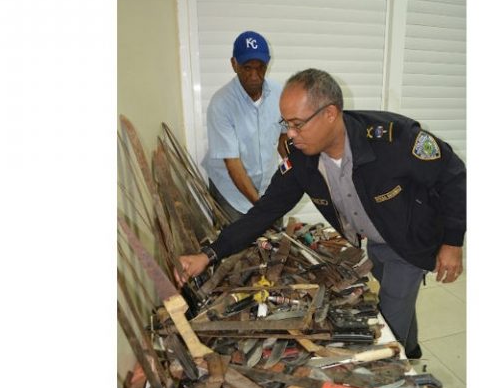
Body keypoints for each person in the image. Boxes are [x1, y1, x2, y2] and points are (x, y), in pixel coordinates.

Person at [180, 68, 466, 359]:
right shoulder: (302, 159)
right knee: (398, 302)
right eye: (286, 123)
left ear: (330, 113)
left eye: (297, 124)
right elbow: (264, 212)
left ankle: (400, 361)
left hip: (411, 239)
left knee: (389, 318)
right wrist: (209, 254)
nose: (290, 134)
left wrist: (453, 242)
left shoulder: (394, 140)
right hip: (377, 240)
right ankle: (412, 348)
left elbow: (453, 175)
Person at [201, 30, 288, 223]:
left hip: (266, 186)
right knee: (237, 238)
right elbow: (233, 164)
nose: (254, 76)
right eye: (247, 68)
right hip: (231, 191)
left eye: (260, 68)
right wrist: (262, 207)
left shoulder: (279, 94)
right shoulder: (221, 104)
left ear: (268, 64)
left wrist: (294, 169)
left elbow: (284, 137)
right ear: (234, 64)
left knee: (276, 239)